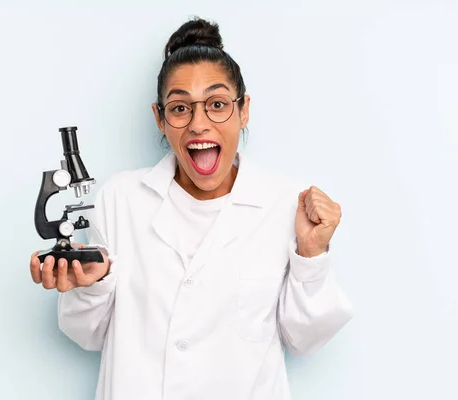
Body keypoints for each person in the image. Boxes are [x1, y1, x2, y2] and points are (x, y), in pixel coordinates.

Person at [30, 17, 353, 400]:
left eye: (217, 104)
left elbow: (305, 339)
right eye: (180, 108)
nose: (199, 124)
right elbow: (87, 335)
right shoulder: (121, 199)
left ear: (243, 110)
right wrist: (91, 287)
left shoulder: (285, 205)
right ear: (160, 118)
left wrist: (311, 256)